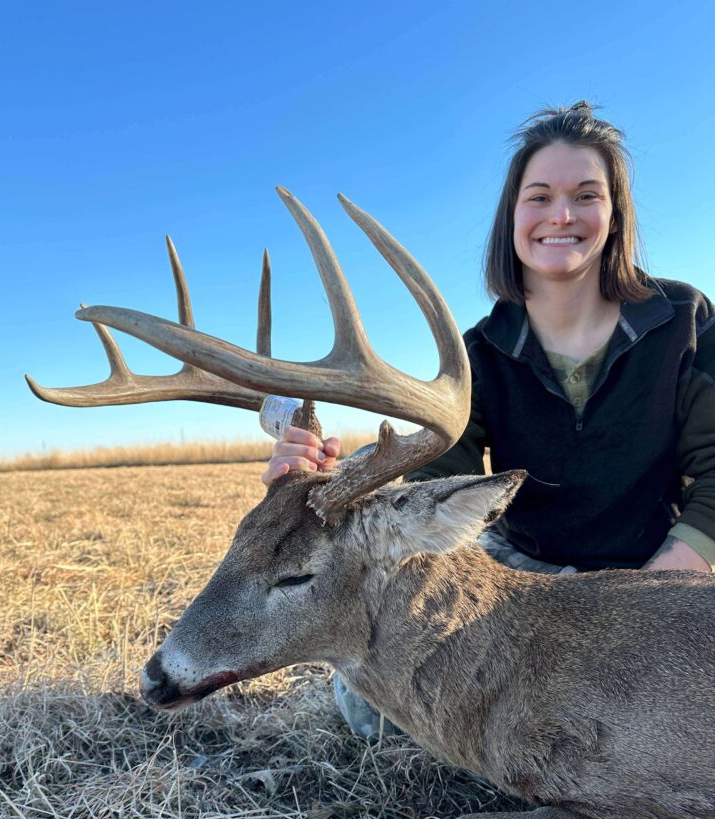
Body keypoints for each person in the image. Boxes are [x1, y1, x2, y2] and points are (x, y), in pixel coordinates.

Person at [261, 102, 715, 737]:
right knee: (372, 714)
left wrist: (651, 599)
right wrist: (319, 482)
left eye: (587, 195)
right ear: (513, 217)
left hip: (660, 569)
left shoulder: (681, 321)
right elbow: (429, 473)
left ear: (614, 215)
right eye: (540, 197)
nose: (562, 215)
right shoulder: (478, 353)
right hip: (528, 576)